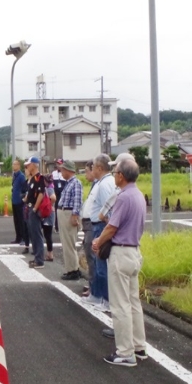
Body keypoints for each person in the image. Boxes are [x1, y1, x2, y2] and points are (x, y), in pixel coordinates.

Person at [92, 158, 147, 367]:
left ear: (121, 176)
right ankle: (139, 345)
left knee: (120, 304)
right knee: (133, 302)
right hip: (134, 252)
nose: (114, 175)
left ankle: (125, 352)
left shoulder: (123, 198)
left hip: (121, 253)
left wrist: (98, 241)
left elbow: (112, 227)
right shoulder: (139, 195)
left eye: (115, 172)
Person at [87, 154, 116, 313]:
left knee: (101, 265)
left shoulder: (105, 184)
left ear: (99, 168)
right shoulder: (107, 182)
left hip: (101, 227)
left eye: (93, 167)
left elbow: (108, 212)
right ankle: (101, 297)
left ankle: (105, 299)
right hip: (99, 226)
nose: (91, 170)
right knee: (100, 264)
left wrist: (107, 231)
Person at [56, 159, 83, 280]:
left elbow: (77, 201)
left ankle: (74, 270)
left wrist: (74, 215)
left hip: (68, 213)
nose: (61, 172)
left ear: (68, 170)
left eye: (62, 169)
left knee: (69, 243)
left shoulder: (76, 183)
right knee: (66, 243)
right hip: (64, 212)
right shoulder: (69, 182)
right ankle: (71, 268)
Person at [23, 156, 45, 269]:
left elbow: (41, 194)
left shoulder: (39, 178)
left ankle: (40, 260)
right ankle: (37, 257)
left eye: (29, 164)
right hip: (29, 207)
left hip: (34, 209)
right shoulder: (32, 178)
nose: (27, 166)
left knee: (37, 234)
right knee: (32, 234)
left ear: (34, 165)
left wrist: (35, 208)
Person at [80, 160, 97, 297]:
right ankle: (92, 284)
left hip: (93, 224)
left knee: (92, 257)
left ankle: (95, 288)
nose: (86, 175)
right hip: (88, 224)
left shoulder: (101, 185)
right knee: (90, 257)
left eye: (86, 171)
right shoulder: (95, 185)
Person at [10, 160, 27, 244]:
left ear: (19, 166)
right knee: (16, 220)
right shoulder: (14, 175)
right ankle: (18, 237)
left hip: (20, 201)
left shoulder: (21, 176)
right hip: (14, 200)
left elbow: (24, 188)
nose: (13, 166)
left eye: (15, 164)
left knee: (21, 220)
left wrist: (22, 197)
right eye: (13, 164)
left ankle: (24, 238)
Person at [41, 174, 57, 262]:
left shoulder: (49, 188)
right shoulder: (50, 187)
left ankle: (50, 254)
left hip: (48, 215)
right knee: (47, 234)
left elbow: (53, 198)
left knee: (47, 234)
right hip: (49, 214)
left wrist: (49, 206)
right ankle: (49, 253)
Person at [52, 159, 66, 232]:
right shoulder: (54, 173)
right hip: (56, 194)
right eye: (57, 164)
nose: (58, 165)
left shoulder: (65, 173)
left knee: (63, 211)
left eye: (60, 164)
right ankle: (57, 226)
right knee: (57, 210)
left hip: (63, 194)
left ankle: (62, 226)